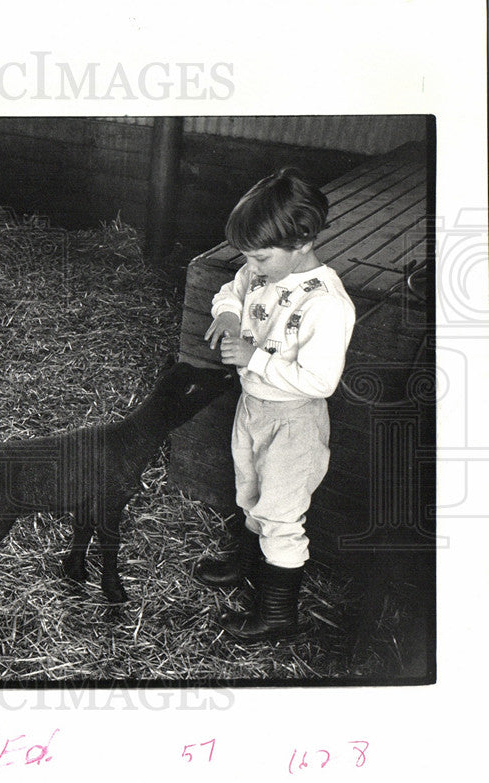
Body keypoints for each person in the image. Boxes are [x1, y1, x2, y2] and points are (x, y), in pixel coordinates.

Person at [196, 167, 356, 641]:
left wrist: (254, 357)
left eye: (260, 256)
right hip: (254, 407)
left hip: (294, 422)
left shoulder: (326, 303)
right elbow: (233, 289)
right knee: (250, 493)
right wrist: (227, 316)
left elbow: (320, 381)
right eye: (247, 255)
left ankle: (279, 617)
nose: (252, 265)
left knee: (282, 516)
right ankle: (246, 565)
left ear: (303, 241)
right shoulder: (263, 269)